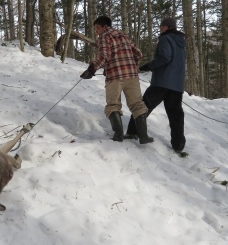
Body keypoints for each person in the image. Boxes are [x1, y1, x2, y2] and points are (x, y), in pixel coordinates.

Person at [79, 15, 152, 144]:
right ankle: (143, 136)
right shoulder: (124, 36)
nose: (96, 31)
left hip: (114, 77)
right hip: (132, 76)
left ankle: (118, 135)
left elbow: (104, 56)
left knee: (113, 105)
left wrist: (92, 69)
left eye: (97, 28)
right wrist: (131, 65)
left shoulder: (104, 37)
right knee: (138, 105)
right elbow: (139, 54)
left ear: (104, 26)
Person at [125, 17, 187, 154]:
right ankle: (178, 145)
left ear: (167, 27)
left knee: (143, 106)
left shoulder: (165, 39)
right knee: (176, 115)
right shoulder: (182, 42)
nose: (160, 29)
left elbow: (165, 57)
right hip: (177, 85)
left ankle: (132, 132)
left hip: (162, 82)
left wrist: (148, 66)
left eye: (161, 26)